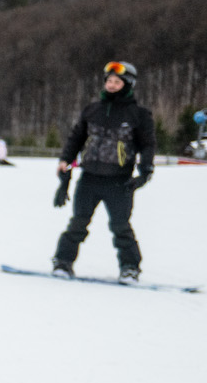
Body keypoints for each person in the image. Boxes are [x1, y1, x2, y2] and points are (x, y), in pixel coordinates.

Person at [53, 61, 155, 282]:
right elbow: (77, 137)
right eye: (109, 80)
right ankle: (63, 262)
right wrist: (65, 160)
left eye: (117, 81)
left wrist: (145, 171)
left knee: (120, 227)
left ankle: (130, 268)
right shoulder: (93, 110)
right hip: (89, 177)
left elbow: (148, 145)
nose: (111, 84)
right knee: (78, 223)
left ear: (127, 85)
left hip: (119, 182)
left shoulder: (138, 114)